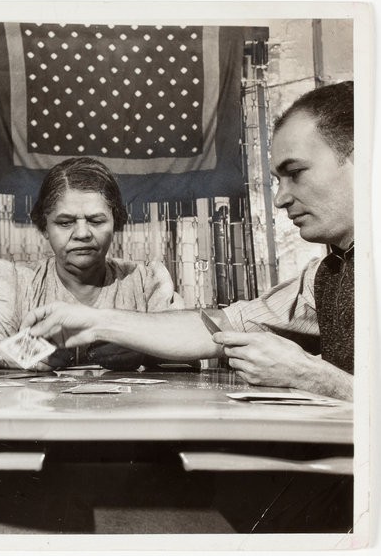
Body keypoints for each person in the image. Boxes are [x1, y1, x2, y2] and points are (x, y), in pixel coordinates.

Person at [21, 81, 355, 401]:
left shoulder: (145, 277)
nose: (280, 198)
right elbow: (221, 327)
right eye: (65, 222)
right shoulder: (324, 276)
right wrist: (96, 323)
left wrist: (312, 376)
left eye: (295, 173)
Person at [0, 156, 184, 369]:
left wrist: (142, 350)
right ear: (44, 227)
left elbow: (187, 349)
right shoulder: (13, 282)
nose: (82, 233)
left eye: (96, 221)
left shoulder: (145, 282)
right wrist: (28, 352)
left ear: (115, 222)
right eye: (65, 223)